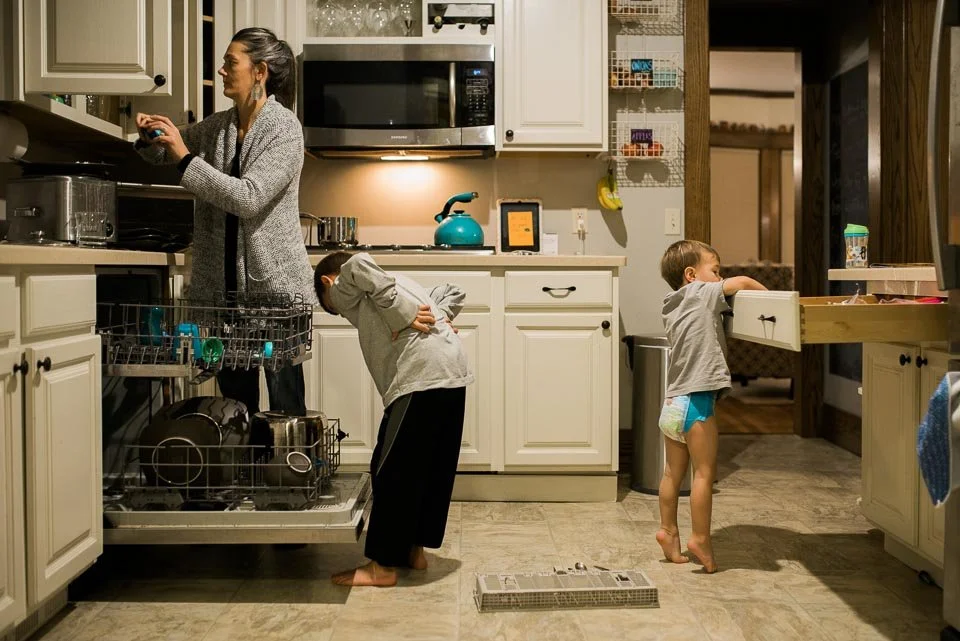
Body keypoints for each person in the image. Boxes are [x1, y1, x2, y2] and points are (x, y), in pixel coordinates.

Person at [133, 27, 316, 416]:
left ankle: (289, 473)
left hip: (276, 296)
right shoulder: (220, 126)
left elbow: (248, 198)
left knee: (286, 406)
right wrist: (153, 136)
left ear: (260, 71)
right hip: (224, 298)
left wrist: (185, 157)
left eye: (231, 62)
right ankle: (240, 473)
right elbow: (166, 153)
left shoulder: (284, 129)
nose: (221, 70)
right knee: (235, 408)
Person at [314, 251, 472, 587]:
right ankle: (414, 551)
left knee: (391, 470)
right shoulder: (401, 284)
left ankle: (382, 566)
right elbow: (452, 290)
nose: (345, 314)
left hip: (420, 377)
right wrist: (435, 315)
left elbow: (355, 263)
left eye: (336, 310)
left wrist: (403, 313)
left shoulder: (347, 285)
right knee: (431, 467)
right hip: (453, 373)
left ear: (329, 283)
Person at [655, 240, 766, 573]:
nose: (720, 278)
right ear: (692, 275)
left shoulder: (670, 302)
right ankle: (700, 538)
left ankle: (668, 530)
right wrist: (778, 300)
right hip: (696, 403)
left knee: (672, 473)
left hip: (672, 403)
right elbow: (744, 283)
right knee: (704, 473)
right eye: (715, 271)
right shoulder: (702, 293)